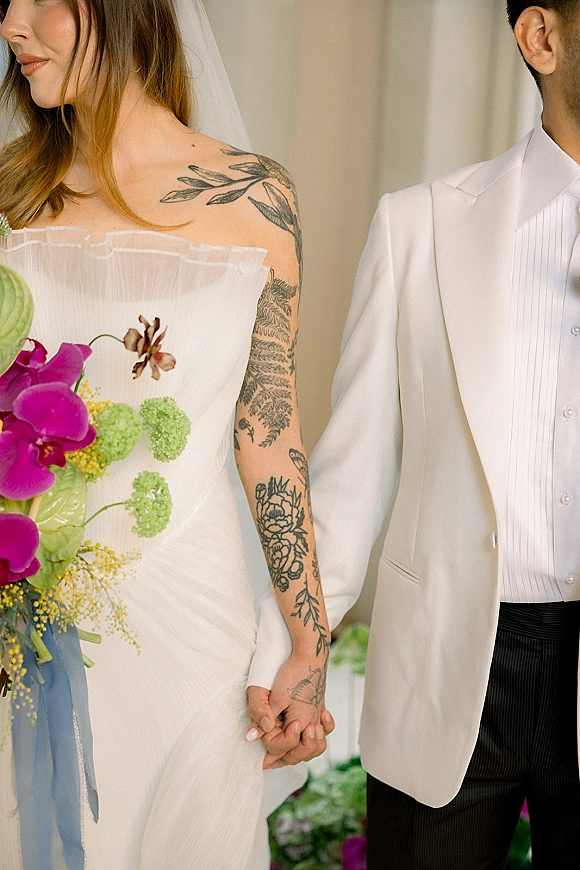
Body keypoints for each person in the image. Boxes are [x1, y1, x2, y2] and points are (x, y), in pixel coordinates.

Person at [0, 1, 334, 868]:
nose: (10, 24)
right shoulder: (10, 191)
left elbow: (267, 428)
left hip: (192, 620)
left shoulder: (257, 199)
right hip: (26, 617)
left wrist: (308, 639)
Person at [249, 1, 580, 867]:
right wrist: (300, 649)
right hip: (446, 664)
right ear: (542, 38)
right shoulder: (420, 224)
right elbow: (353, 470)